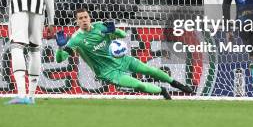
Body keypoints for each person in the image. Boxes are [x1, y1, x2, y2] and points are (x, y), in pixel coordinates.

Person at [55, 8, 194, 99]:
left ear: (89, 17)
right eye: (80, 18)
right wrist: (60, 48)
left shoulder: (99, 26)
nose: (84, 20)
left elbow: (122, 34)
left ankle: (176, 84)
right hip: (108, 72)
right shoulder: (75, 40)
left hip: (122, 59)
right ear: (76, 21)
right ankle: (162, 91)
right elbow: (60, 60)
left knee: (149, 69)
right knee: (139, 85)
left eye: (85, 17)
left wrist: (113, 31)